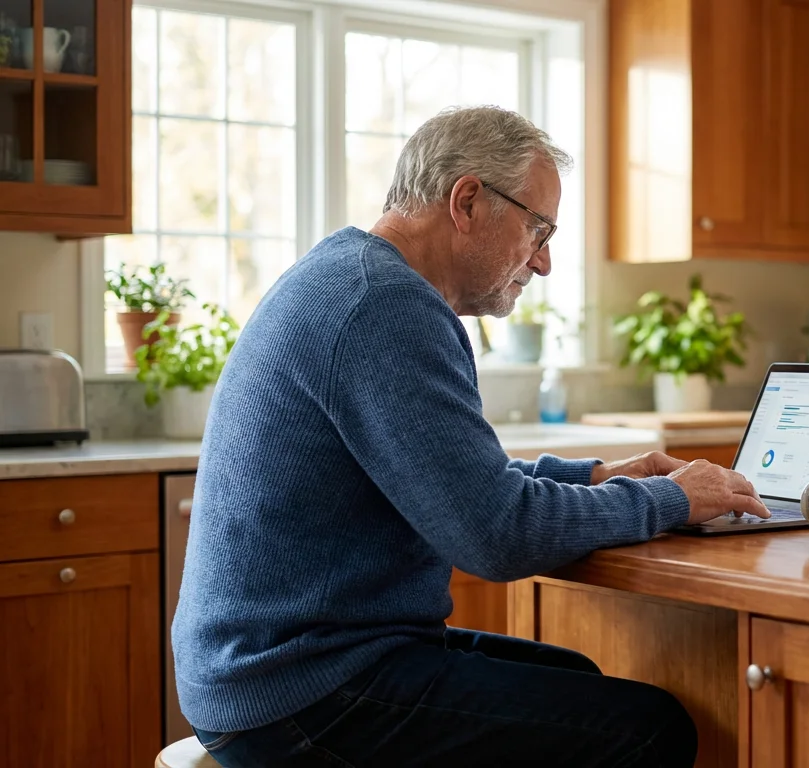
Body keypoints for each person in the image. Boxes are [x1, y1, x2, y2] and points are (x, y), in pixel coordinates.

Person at [173, 105, 771, 767]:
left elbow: (462, 481)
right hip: (302, 695)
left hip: (278, 670)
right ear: (467, 201)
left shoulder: (352, 276)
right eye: (538, 228)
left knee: (580, 679)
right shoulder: (386, 306)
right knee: (648, 728)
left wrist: (600, 478)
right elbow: (495, 533)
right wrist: (673, 500)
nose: (542, 262)